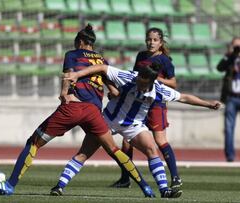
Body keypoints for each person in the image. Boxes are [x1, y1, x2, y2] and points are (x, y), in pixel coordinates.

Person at [0, 24, 155, 197]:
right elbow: (114, 91)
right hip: (94, 112)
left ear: (80, 42)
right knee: (114, 149)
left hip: (73, 107)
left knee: (34, 142)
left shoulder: (72, 54)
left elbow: (69, 74)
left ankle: (10, 185)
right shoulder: (102, 61)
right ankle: (145, 187)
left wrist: (63, 93)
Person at [51, 61, 221, 198]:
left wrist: (208, 104)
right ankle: (59, 186)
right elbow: (102, 67)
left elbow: (183, 97)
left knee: (152, 149)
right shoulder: (127, 77)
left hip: (133, 125)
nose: (139, 83)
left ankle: (164, 190)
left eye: (143, 83)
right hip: (108, 120)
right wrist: (77, 74)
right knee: (84, 152)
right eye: (139, 79)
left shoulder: (159, 91)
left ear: (151, 82)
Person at [113, 27, 182, 189]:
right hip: (138, 103)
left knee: (160, 140)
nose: (151, 43)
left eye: (155, 40)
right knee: (126, 141)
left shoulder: (164, 60)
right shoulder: (141, 56)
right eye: (149, 39)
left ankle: (176, 177)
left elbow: (173, 83)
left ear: (161, 42)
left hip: (156, 104)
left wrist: (154, 78)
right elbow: (135, 78)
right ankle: (125, 178)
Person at [217, 37, 240, 162]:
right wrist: (229, 54)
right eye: (235, 46)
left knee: (229, 126)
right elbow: (219, 67)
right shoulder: (229, 58)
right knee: (229, 128)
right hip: (231, 96)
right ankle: (230, 156)